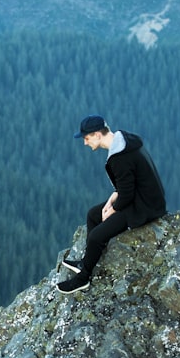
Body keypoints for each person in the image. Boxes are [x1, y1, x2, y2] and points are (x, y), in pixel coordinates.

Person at [57, 115, 167, 294]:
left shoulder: (119, 157)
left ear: (97, 135)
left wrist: (112, 211)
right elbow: (127, 183)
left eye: (86, 138)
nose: (85, 143)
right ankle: (87, 261)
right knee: (93, 214)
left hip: (144, 207)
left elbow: (127, 194)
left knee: (96, 236)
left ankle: (83, 278)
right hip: (143, 198)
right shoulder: (123, 142)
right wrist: (110, 201)